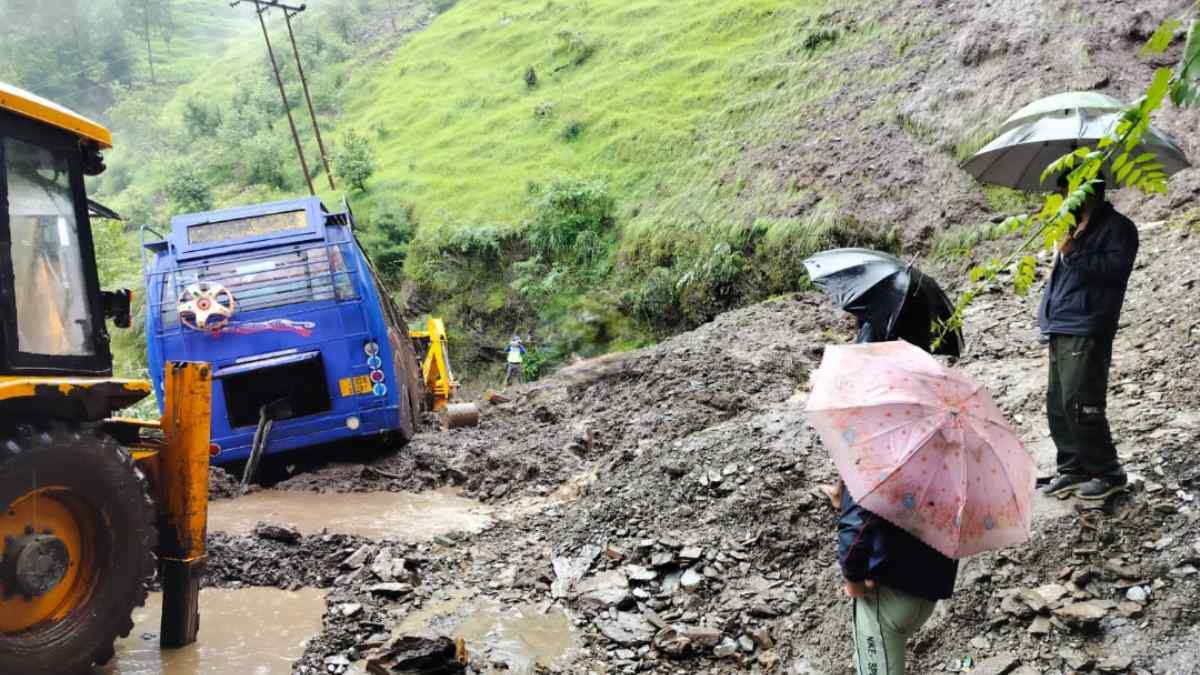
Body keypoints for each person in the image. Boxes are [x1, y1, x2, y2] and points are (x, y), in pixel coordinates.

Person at [1039, 176, 1137, 501]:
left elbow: (1115, 270)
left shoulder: (1118, 228)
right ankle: (1072, 467)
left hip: (1088, 325)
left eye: (1067, 192)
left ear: (1087, 191)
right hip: (1062, 323)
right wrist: (1046, 316)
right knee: (1057, 404)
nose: (1063, 197)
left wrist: (1074, 250)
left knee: (1080, 403)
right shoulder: (1072, 226)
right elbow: (1061, 279)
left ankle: (1108, 472)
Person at [839, 489, 958, 675]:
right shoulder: (951, 469)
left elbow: (856, 525)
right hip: (930, 590)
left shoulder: (882, 464)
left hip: (885, 596)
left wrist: (854, 582)